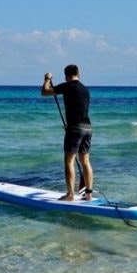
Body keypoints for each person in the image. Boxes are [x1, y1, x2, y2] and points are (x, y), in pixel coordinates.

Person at [41, 64, 94, 201]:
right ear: (78, 73)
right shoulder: (85, 89)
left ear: (66, 75)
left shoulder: (67, 86)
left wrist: (47, 79)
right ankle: (88, 194)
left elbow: (45, 92)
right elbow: (78, 107)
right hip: (87, 127)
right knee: (85, 161)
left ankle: (70, 194)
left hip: (75, 128)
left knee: (69, 160)